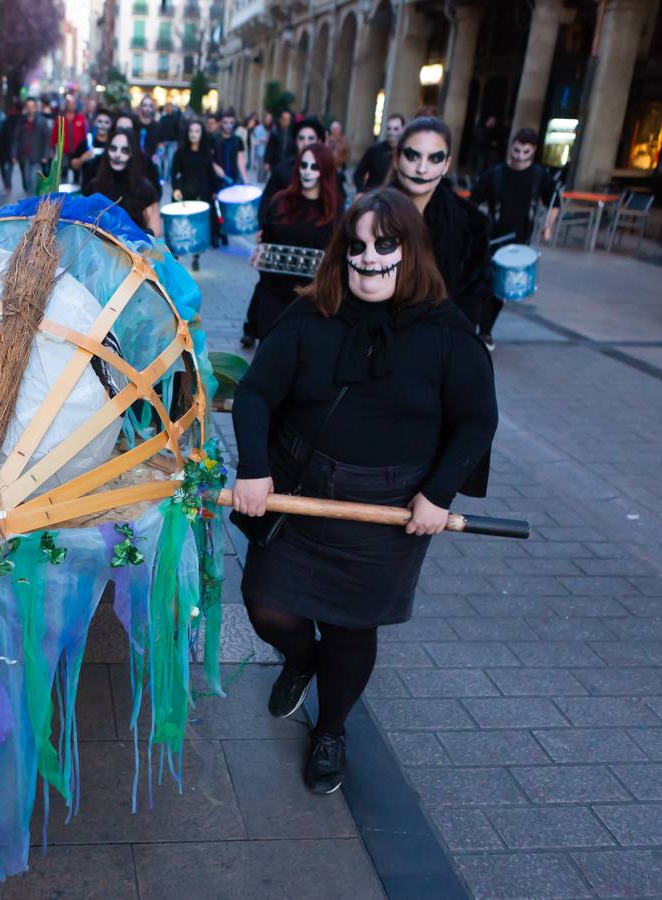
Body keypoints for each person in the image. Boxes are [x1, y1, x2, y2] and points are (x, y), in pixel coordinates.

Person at [231, 187, 497, 794]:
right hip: (300, 490)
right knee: (267, 606)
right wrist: (252, 466)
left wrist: (439, 494)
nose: (368, 259)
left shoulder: (449, 336)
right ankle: (300, 659)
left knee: (352, 629)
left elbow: (477, 421)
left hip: (386, 510)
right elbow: (253, 393)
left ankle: (332, 729)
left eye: (384, 245)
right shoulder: (309, 315)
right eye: (356, 247)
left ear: (412, 251)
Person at [392, 116, 492, 334]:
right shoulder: (368, 214)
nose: (421, 168)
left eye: (434, 159)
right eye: (412, 156)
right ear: (397, 158)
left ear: (446, 164)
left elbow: (470, 301)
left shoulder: (470, 224)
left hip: (438, 344)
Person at [468, 128, 559, 348]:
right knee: (481, 286)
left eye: (525, 152)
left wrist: (548, 227)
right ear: (511, 146)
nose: (519, 156)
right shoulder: (495, 174)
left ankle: (485, 332)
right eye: (516, 150)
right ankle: (476, 329)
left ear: (533, 150)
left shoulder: (540, 176)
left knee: (500, 290)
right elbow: (472, 202)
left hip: (519, 244)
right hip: (491, 239)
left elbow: (554, 204)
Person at [245, 143, 342, 341]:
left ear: (324, 171)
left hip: (311, 299)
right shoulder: (280, 201)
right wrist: (260, 254)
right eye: (303, 165)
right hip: (273, 294)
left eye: (314, 167)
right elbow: (266, 241)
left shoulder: (334, 211)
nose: (307, 172)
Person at [84, 125, 162, 236]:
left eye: (124, 150)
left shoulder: (144, 189)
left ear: (132, 154)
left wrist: (132, 236)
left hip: (135, 251)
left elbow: (156, 230)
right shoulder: (94, 186)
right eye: (113, 148)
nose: (117, 155)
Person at [171, 119, 221, 269]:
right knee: (180, 226)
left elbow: (210, 174)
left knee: (197, 228)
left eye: (197, 131)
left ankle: (196, 257)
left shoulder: (207, 153)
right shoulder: (180, 152)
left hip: (201, 195)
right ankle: (176, 257)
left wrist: (214, 191)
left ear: (202, 134)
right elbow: (174, 173)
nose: (194, 134)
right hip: (183, 194)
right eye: (191, 131)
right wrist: (176, 188)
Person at [352, 112, 405, 192]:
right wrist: (361, 192)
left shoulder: (406, 153)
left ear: (403, 129)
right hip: (372, 197)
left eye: (396, 129)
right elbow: (358, 174)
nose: (391, 132)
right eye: (389, 128)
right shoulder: (374, 150)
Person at [13, 98, 51, 195]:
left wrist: (45, 155)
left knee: (34, 180)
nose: (30, 109)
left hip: (37, 156)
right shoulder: (22, 120)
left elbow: (47, 139)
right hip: (24, 156)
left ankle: (35, 202)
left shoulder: (41, 120)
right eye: (28, 106)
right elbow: (16, 138)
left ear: (35, 107)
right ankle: (31, 201)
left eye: (32, 106)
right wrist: (14, 154)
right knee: (27, 181)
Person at [70, 108, 113, 187]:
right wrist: (82, 159)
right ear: (94, 123)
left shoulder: (114, 144)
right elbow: (73, 165)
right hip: (88, 190)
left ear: (111, 125)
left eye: (106, 122)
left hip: (108, 191)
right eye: (99, 121)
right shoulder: (86, 142)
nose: (103, 125)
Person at [264, 109, 294, 176]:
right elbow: (269, 148)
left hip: (287, 163)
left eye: (288, 119)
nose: (286, 121)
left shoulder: (292, 134)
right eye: (284, 119)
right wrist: (267, 162)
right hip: (276, 162)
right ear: (280, 119)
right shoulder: (275, 133)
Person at [250, 112, 270, 181]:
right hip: (261, 151)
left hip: (268, 151)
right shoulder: (258, 128)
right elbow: (254, 139)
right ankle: (260, 180)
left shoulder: (271, 129)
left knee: (266, 170)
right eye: (267, 119)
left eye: (270, 119)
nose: (269, 120)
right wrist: (261, 140)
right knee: (261, 169)